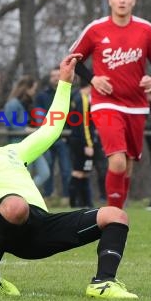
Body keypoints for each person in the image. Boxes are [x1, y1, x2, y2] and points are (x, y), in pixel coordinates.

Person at [0, 54, 138, 299]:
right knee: (16, 205)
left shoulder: (14, 152)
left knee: (117, 215)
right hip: (8, 228)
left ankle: (103, 282)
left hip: (42, 230)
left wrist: (65, 83)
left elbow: (51, 128)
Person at [70, 0, 151, 208]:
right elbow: (75, 59)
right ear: (109, 0)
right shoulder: (96, 29)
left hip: (136, 104)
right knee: (118, 161)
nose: (122, 0)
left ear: (134, 0)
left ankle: (118, 210)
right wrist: (93, 79)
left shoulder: (146, 29)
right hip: (106, 103)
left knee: (128, 162)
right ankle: (112, 215)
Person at [3, 75, 50, 188]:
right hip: (18, 145)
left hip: (31, 143)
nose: (34, 92)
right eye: (33, 89)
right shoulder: (13, 104)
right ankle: (22, 194)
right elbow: (7, 124)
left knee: (44, 173)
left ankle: (26, 191)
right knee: (24, 175)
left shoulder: (28, 104)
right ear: (27, 89)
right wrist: (24, 130)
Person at [34, 67, 72, 200]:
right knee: (48, 169)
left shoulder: (69, 93)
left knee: (66, 169)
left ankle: (67, 197)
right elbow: (38, 116)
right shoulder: (42, 96)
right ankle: (48, 196)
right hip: (48, 138)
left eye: (58, 75)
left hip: (64, 138)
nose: (56, 78)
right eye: (53, 76)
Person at [67, 79, 95, 208]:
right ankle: (74, 202)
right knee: (79, 172)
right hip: (81, 141)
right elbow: (84, 125)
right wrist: (88, 144)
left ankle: (84, 203)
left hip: (75, 140)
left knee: (84, 172)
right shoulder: (82, 99)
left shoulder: (74, 95)